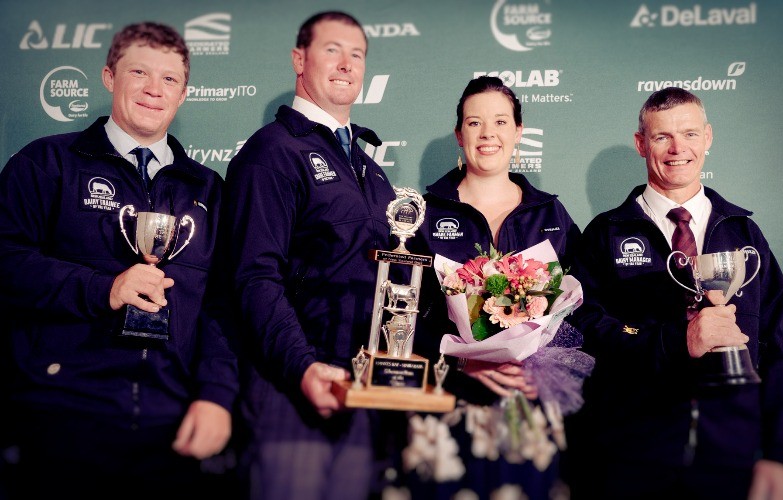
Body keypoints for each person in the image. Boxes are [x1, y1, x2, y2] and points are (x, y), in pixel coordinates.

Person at [0, 22, 238, 498]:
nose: (154, 89)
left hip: (173, 425)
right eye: (139, 72)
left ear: (184, 93)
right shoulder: (47, 163)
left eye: (169, 79)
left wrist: (216, 395)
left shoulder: (208, 189)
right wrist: (102, 288)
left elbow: (222, 306)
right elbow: (7, 261)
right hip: (63, 415)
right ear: (109, 77)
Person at [564, 87, 783, 499]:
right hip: (630, 454)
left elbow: (774, 347)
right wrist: (675, 341)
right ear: (641, 144)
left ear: (708, 137)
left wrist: (776, 452)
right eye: (662, 137)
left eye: (689, 134)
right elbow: (582, 332)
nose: (677, 149)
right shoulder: (605, 234)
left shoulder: (744, 235)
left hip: (729, 456)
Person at [221, 11, 397, 499]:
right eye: (331, 50)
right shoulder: (272, 153)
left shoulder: (370, 170)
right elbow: (255, 277)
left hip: (360, 391)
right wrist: (301, 366)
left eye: (356, 54)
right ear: (299, 60)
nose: (346, 64)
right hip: (290, 390)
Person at [398, 75, 583, 499]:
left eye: (500, 122)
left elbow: (580, 309)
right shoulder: (423, 213)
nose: (488, 134)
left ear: (518, 132)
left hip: (529, 410)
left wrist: (545, 368)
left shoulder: (550, 213)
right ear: (459, 134)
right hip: (446, 407)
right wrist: (462, 363)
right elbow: (403, 314)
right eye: (474, 122)